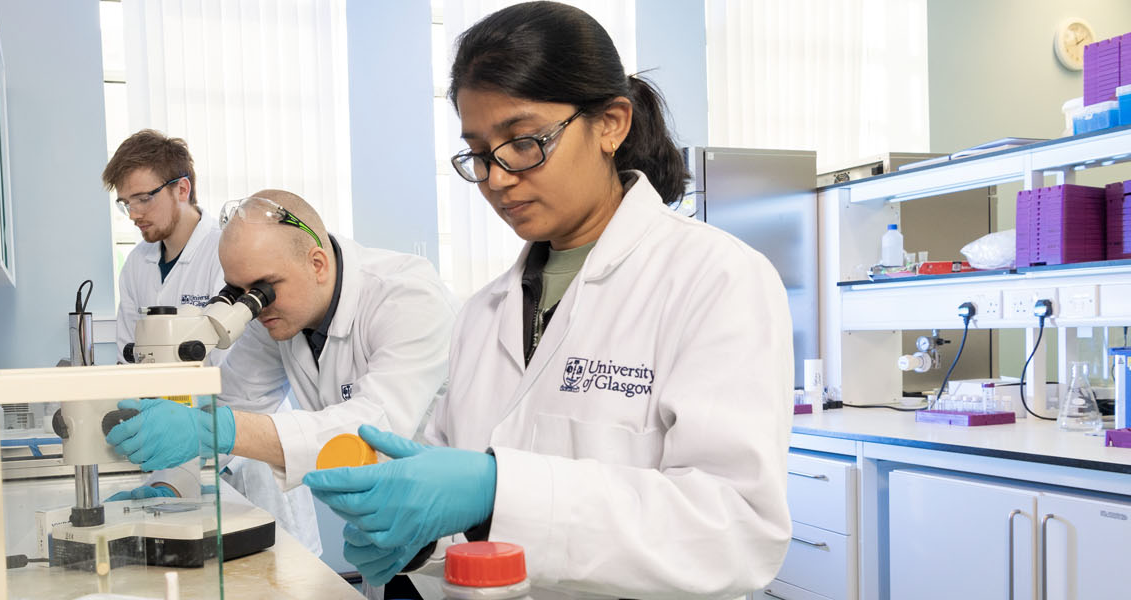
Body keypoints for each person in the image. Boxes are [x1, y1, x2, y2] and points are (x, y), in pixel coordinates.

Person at [301, 3, 794, 598]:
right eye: (480, 153)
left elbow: (734, 530)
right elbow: (465, 502)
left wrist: (498, 488)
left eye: (524, 141)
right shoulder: (485, 311)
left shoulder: (715, 278)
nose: (498, 178)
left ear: (611, 123)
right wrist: (420, 536)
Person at [103, 189, 459, 562]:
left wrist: (214, 430)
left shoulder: (408, 299)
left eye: (263, 289)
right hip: (386, 534)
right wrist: (170, 484)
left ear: (317, 264)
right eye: (239, 292)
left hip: (457, 536)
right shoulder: (276, 316)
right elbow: (236, 402)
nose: (253, 306)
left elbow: (373, 431)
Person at [100, 130, 320, 554]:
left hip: (246, 453)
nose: (133, 214)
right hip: (175, 451)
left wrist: (200, 436)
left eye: (143, 198)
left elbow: (252, 380)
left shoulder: (230, 255)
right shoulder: (136, 267)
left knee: (280, 572)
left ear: (182, 188)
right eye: (126, 203)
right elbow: (132, 363)